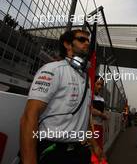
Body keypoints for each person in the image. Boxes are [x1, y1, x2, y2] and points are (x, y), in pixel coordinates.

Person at [20, 29, 102, 164]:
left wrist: (94, 144)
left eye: (88, 40)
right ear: (67, 44)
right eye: (82, 40)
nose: (87, 43)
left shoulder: (85, 77)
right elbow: (29, 117)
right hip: (54, 151)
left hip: (80, 151)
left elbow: (83, 117)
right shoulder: (52, 70)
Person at [92, 76, 108, 150]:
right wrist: (101, 114)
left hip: (100, 126)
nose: (100, 86)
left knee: (99, 149)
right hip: (91, 127)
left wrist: (101, 114)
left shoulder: (102, 99)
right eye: (98, 84)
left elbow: (104, 113)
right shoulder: (89, 96)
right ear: (93, 83)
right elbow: (90, 110)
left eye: (101, 85)